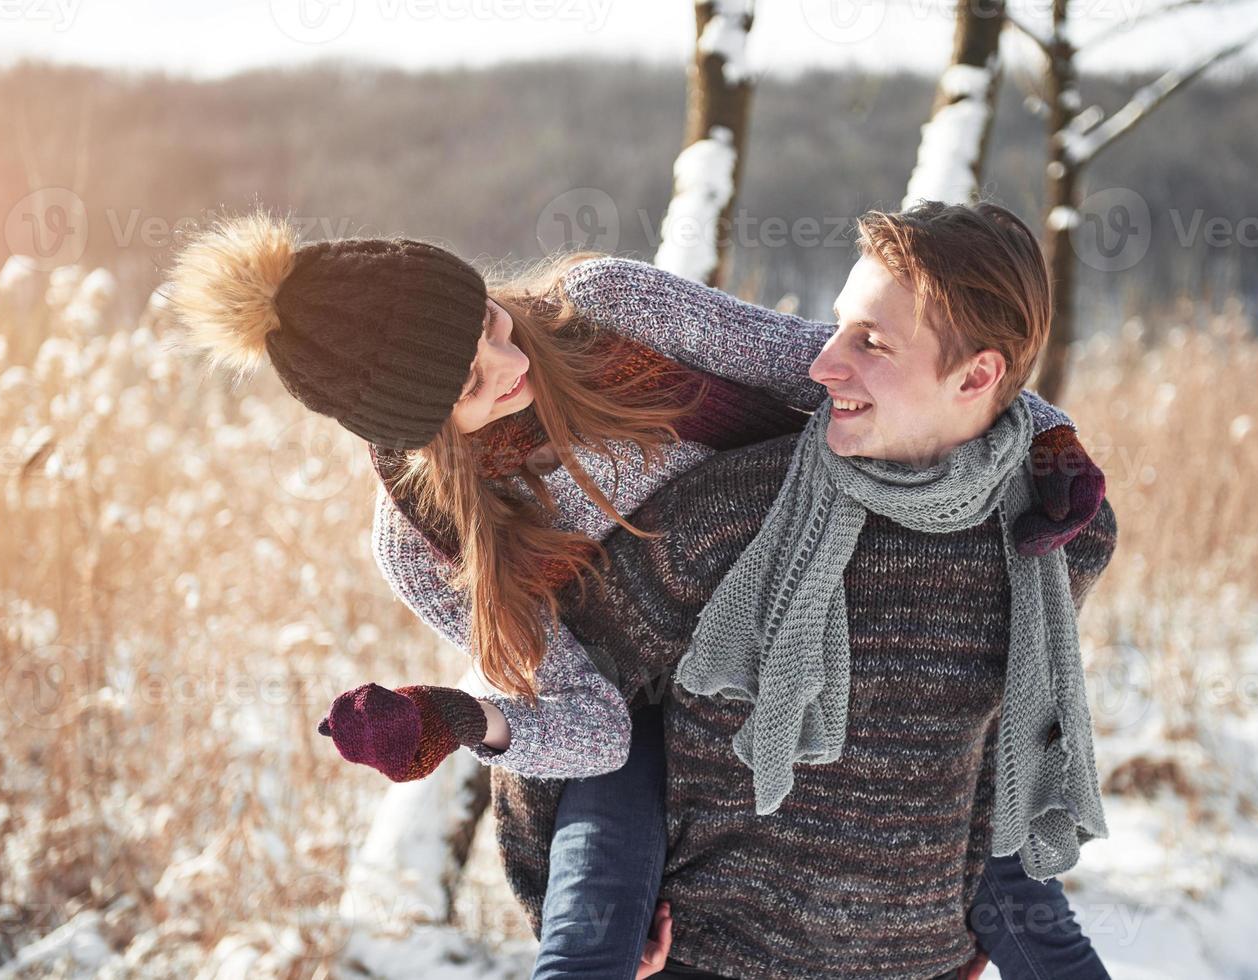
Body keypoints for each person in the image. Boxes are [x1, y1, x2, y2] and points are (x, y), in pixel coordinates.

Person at [165, 206, 1110, 979]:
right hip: (641, 701)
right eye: (468, 381)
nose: (511, 364)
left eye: (490, 322)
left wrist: (1044, 441)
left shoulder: (608, 311)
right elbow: (588, 725)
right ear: (408, 424)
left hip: (812, 596)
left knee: (991, 831)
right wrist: (460, 718)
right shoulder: (424, 539)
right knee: (590, 922)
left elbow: (851, 368)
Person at [490, 200, 1119, 978]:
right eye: (836, 325)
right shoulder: (723, 513)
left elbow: (1004, 750)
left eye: (871, 341)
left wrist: (974, 929)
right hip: (705, 959)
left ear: (978, 375)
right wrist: (579, 921)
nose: (822, 364)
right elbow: (563, 702)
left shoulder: (1054, 535)